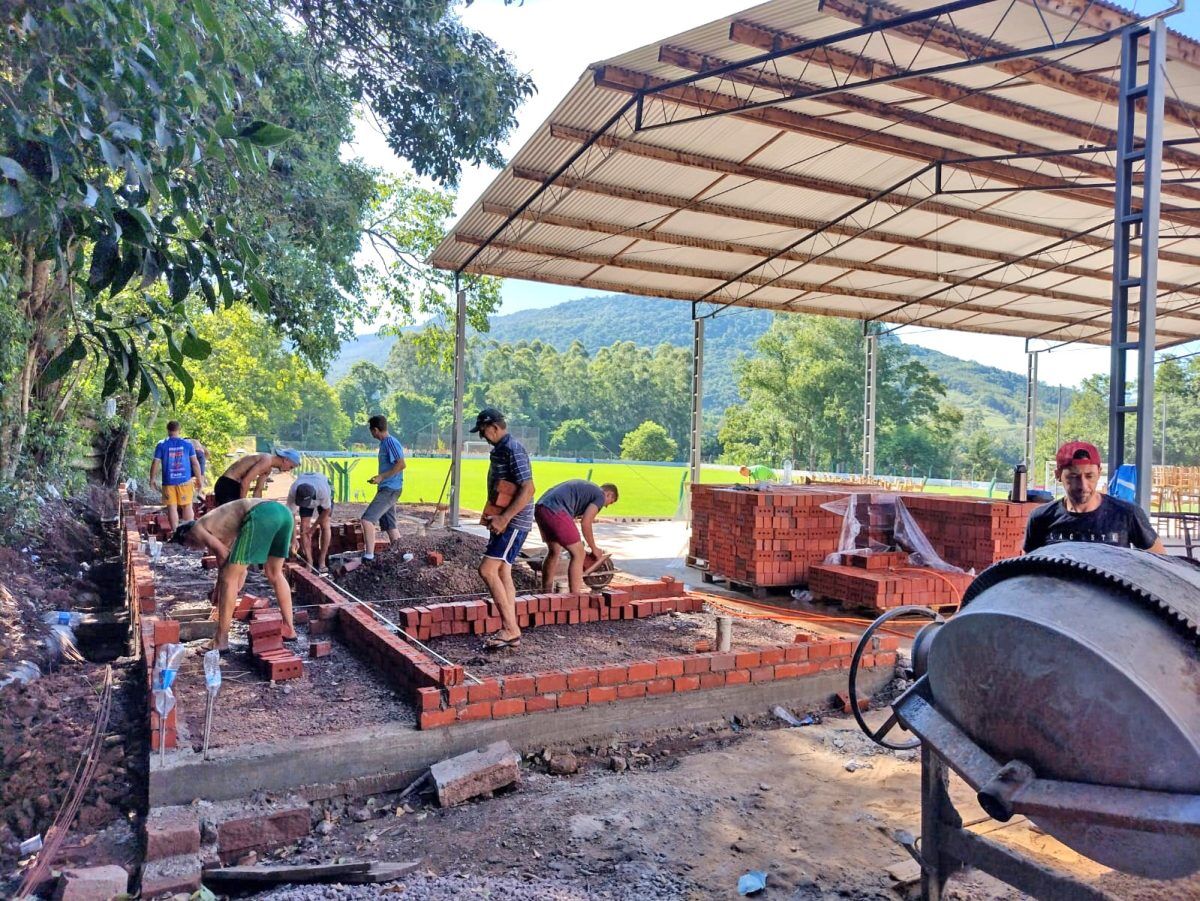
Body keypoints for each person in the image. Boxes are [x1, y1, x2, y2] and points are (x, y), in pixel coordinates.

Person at [173, 499, 296, 650]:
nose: (194, 548)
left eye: (190, 546)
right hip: (283, 513)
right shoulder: (219, 527)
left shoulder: (196, 530)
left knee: (228, 577)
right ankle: (289, 628)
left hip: (262, 514)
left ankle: (221, 640)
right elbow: (236, 569)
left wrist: (222, 591)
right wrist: (221, 595)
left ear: (186, 537)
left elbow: (225, 559)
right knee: (274, 573)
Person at [1023, 441, 1165, 554]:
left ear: (1099, 473)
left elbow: (1160, 563)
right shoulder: (1041, 518)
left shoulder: (1127, 514)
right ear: (1058, 475)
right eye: (1073, 477)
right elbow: (1027, 570)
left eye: (1089, 476)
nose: (1083, 486)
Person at [472, 408, 535, 650]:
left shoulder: (513, 449)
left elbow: (528, 488)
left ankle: (510, 629)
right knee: (503, 571)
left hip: (513, 522)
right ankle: (512, 628)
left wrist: (505, 518)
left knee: (487, 570)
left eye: (483, 432)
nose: (483, 437)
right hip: (503, 518)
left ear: (495, 427)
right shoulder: (502, 449)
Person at [535, 480, 618, 594]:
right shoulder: (600, 495)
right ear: (608, 494)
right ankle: (575, 596)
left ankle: (546, 593)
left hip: (541, 507)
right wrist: (594, 548)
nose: (606, 506)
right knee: (579, 553)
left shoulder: (588, 490)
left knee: (554, 551)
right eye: (610, 502)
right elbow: (586, 522)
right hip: (556, 510)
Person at [361, 415, 405, 561]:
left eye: (371, 430)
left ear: (375, 429)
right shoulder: (384, 444)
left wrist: (382, 477)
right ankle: (404, 555)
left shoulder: (390, 442)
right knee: (390, 526)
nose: (371, 433)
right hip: (386, 488)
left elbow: (401, 464)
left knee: (367, 520)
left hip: (390, 489)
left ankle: (369, 556)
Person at [149, 421, 204, 532]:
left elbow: (155, 463)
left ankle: (175, 533)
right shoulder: (188, 445)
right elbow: (195, 463)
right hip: (185, 481)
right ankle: (188, 532)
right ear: (179, 430)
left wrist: (152, 479)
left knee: (172, 507)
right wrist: (199, 479)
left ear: (168, 430)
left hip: (169, 482)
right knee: (187, 506)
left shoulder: (161, 444)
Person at [213, 448, 301, 506]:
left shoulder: (268, 468)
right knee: (231, 519)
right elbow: (245, 481)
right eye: (291, 467)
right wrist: (242, 505)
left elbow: (258, 489)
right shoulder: (266, 460)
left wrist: (258, 506)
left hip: (235, 486)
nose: (289, 470)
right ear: (286, 460)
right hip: (227, 484)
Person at [286, 470, 334, 573]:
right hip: (306, 490)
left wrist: (313, 528)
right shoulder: (294, 490)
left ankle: (322, 560)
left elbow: (327, 510)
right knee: (304, 527)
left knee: (325, 524)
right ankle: (309, 561)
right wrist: (293, 539)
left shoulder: (323, 491)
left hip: (323, 489)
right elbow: (291, 515)